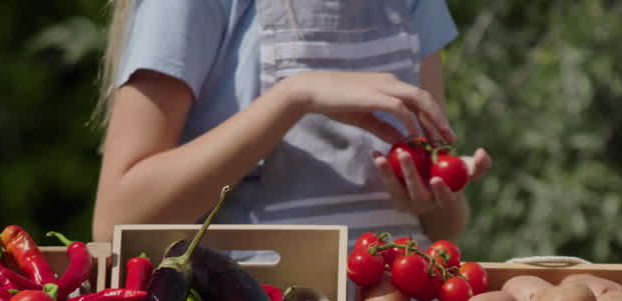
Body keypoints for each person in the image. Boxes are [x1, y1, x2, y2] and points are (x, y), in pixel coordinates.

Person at [91, 0, 491, 247]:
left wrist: (433, 197)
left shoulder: (414, 3)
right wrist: (294, 97)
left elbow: (446, 225)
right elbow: (116, 222)